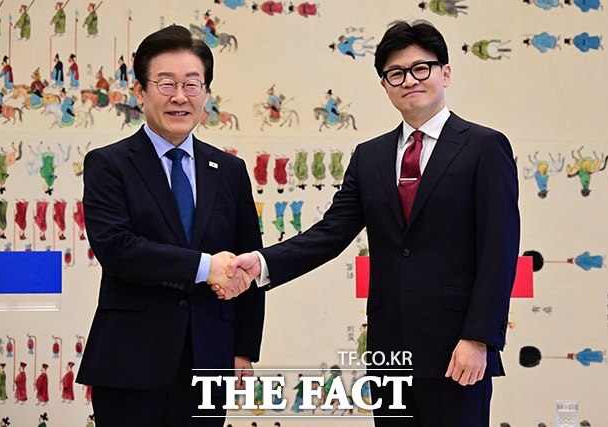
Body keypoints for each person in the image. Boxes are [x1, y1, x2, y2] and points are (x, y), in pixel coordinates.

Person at [225, 20, 520, 427]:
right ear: (384, 85)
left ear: (445, 73)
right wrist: (262, 263)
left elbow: (499, 250)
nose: (409, 80)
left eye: (421, 68)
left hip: (457, 350)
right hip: (389, 353)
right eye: (396, 73)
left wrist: (479, 337)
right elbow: (330, 233)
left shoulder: (484, 146)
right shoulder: (370, 156)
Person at [76, 24, 265, 427]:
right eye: (166, 84)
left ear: (205, 93)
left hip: (209, 358)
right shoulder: (109, 164)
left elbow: (249, 260)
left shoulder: (229, 170)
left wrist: (243, 349)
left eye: (192, 84)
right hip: (130, 361)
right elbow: (117, 247)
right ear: (140, 91)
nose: (180, 96)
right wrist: (205, 266)